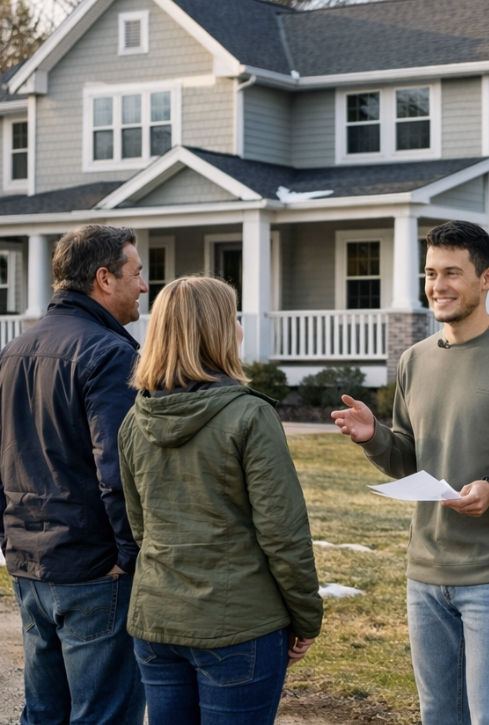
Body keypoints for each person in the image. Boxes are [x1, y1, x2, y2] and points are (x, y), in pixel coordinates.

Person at [332, 219, 489, 725]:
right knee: (439, 716)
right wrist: (374, 437)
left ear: (487, 279)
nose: (437, 286)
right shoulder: (415, 360)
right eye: (430, 273)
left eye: (452, 273)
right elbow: (410, 459)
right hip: (424, 575)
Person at [118, 275, 321, 725]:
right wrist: (307, 617)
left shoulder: (135, 420)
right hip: (238, 629)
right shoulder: (250, 415)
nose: (241, 329)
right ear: (214, 332)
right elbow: (283, 533)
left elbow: (140, 528)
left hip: (158, 623)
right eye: (233, 318)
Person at [0, 224, 148, 725]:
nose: (144, 286)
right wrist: (128, 555)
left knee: (45, 712)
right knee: (105, 715)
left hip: (30, 566)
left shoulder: (12, 350)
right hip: (95, 572)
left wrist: (8, 536)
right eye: (137, 273)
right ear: (104, 279)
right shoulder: (110, 354)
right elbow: (118, 470)